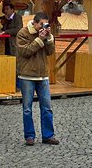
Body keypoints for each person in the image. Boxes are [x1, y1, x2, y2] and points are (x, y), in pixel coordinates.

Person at [16, 11, 58, 146]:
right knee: (27, 108)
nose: (43, 27)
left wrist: (49, 38)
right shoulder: (22, 33)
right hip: (27, 75)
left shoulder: (45, 34)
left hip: (42, 75)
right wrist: (39, 39)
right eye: (41, 24)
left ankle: (48, 135)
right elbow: (25, 51)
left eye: (45, 24)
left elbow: (50, 52)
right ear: (34, 23)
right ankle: (29, 136)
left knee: (47, 107)